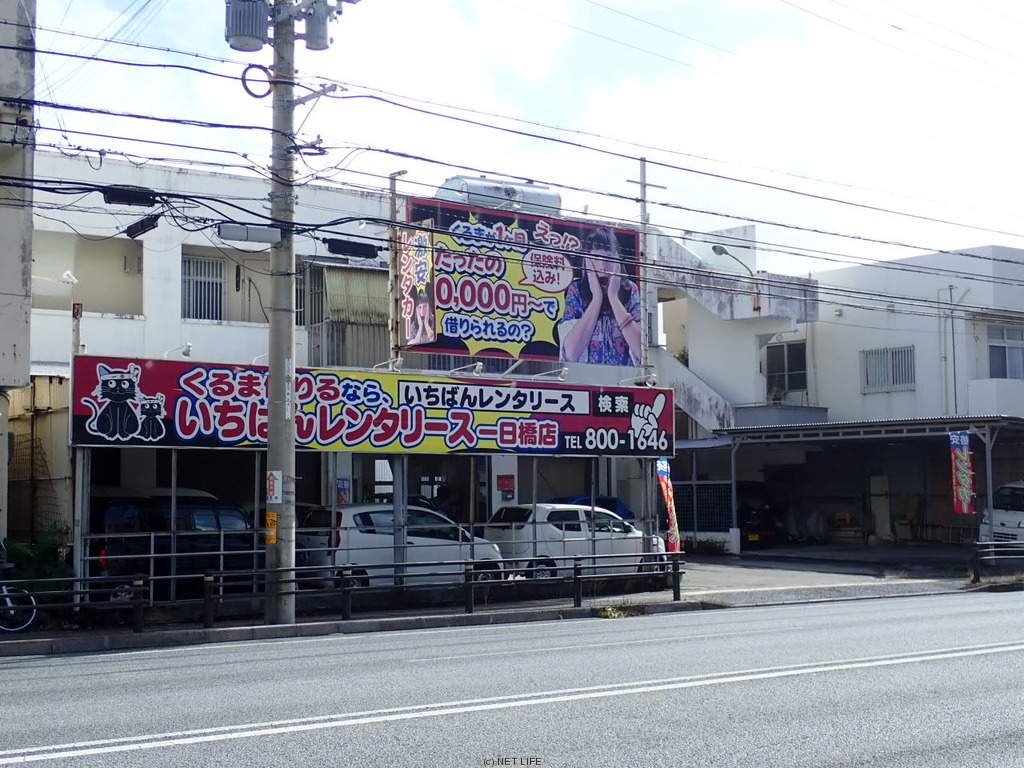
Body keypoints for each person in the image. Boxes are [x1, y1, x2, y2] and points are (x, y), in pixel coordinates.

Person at [558, 227, 642, 365]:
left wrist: (613, 297)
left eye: (608, 258)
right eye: (596, 257)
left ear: (617, 260)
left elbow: (642, 351)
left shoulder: (630, 289)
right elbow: (571, 353)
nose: (602, 266)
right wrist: (597, 298)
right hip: (585, 377)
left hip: (626, 376)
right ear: (587, 260)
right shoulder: (577, 290)